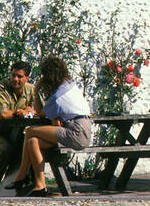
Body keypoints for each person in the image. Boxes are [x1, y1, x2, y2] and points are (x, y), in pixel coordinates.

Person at [14, 56, 93, 197]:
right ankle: (40, 186)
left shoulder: (58, 96)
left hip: (76, 132)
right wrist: (56, 116)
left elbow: (39, 112)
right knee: (33, 141)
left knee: (30, 131)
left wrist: (36, 90)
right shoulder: (69, 85)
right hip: (80, 128)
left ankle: (22, 175)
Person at [0, 61, 41, 198]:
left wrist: (29, 110)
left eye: (19, 76)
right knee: (4, 150)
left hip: (17, 134)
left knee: (28, 146)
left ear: (27, 78)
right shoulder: (1, 87)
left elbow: (38, 111)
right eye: (13, 75)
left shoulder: (31, 90)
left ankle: (16, 188)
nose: (15, 79)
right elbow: (3, 114)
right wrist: (21, 111)